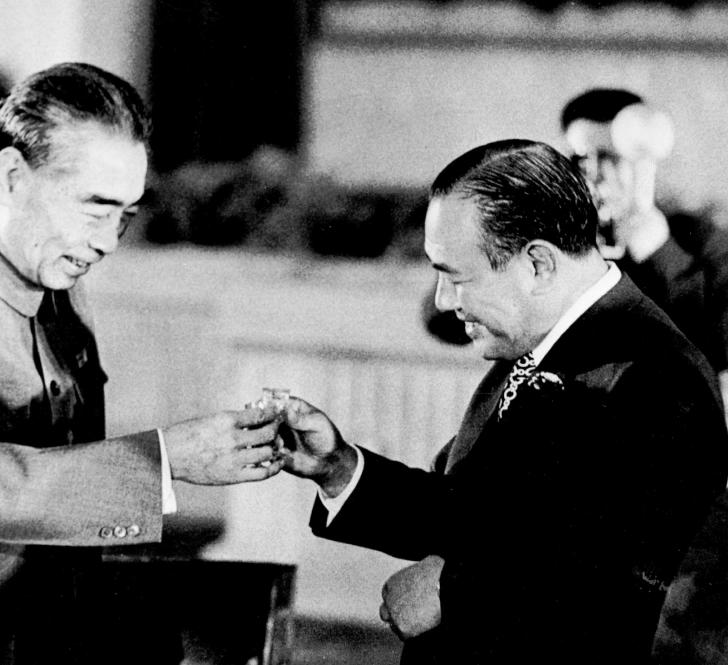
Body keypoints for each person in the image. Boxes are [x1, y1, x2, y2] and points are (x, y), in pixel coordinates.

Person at [0, 62, 285, 665]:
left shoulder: (57, 278)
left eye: (126, 214)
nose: (109, 241)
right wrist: (166, 460)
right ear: (13, 175)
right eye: (94, 208)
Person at [281, 140, 728, 664]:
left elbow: (626, 578)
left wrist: (454, 590)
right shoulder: (535, 344)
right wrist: (339, 468)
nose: (444, 301)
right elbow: (471, 510)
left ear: (538, 263)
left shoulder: (656, 376)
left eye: (456, 276)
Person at [423, 89, 728, 411]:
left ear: (643, 157)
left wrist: (659, 252)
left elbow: (720, 348)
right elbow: (440, 320)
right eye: (580, 160)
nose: (594, 174)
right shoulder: (545, 231)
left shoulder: (698, 237)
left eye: (610, 157)